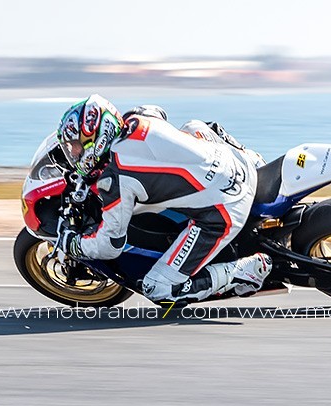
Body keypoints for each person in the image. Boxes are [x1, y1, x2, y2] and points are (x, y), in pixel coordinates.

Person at [54, 94, 272, 304]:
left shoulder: (115, 179)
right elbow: (160, 112)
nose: (73, 154)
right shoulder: (138, 117)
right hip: (237, 160)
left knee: (158, 289)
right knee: (192, 127)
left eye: (77, 146)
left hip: (226, 207)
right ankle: (252, 156)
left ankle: (245, 272)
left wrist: (72, 243)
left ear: (98, 140)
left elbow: (110, 245)